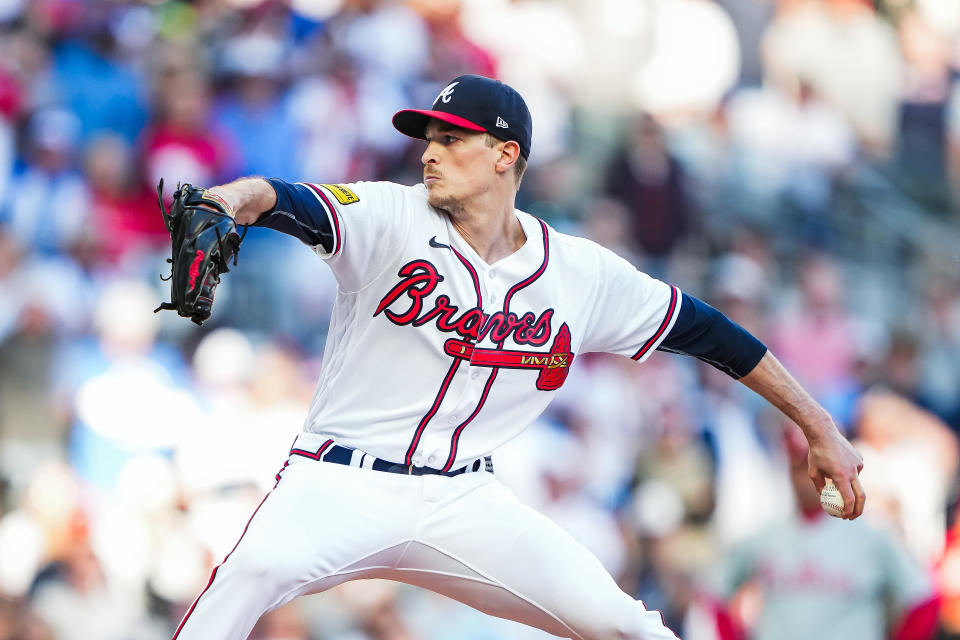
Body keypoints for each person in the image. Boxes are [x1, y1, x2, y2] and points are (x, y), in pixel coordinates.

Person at [169, 74, 864, 640]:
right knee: (240, 584)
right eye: (427, 139)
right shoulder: (388, 215)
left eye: (451, 139)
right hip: (338, 483)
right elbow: (282, 199)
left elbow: (712, 334)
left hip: (463, 499)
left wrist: (819, 425)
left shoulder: (578, 274)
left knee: (628, 625)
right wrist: (227, 200)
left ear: (506, 156)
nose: (429, 153)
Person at [706, 423, 937, 640]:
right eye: (799, 466)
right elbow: (714, 591)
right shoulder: (766, 535)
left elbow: (924, 600)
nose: (808, 476)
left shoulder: (872, 534)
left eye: (818, 467)